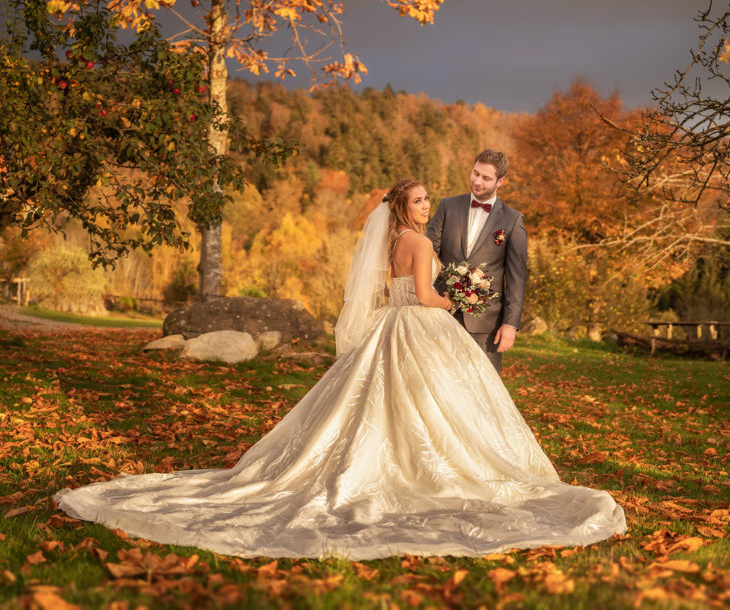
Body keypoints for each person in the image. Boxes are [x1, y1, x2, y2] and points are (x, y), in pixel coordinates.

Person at [55, 179, 626, 560]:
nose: (430, 207)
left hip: (388, 330)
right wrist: (455, 301)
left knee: (372, 404)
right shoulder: (421, 245)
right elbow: (424, 296)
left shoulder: (389, 243)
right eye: (423, 201)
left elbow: (388, 291)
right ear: (407, 207)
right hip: (422, 329)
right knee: (440, 409)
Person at [427, 149, 525, 373]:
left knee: (483, 392)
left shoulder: (513, 220)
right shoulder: (447, 207)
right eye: (475, 173)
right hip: (440, 314)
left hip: (486, 325)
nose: (477, 181)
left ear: (500, 181)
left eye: (486, 178)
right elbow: (427, 255)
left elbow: (517, 277)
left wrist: (510, 324)